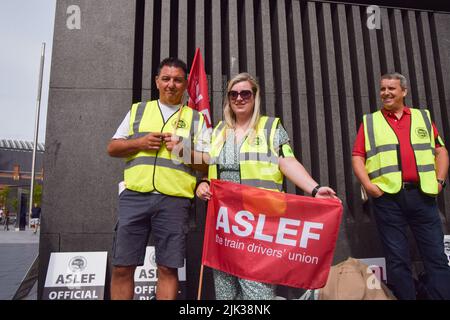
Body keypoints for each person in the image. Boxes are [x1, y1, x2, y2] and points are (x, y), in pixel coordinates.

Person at [196, 72, 338, 300]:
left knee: (257, 296)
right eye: (233, 94)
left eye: (245, 93)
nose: (239, 98)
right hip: (224, 227)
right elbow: (211, 167)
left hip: (259, 227)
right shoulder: (218, 132)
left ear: (255, 97)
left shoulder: (271, 127)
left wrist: (314, 188)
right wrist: (202, 184)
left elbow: (287, 161)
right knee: (225, 295)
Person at [107, 57, 209, 300]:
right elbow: (112, 148)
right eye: (166, 79)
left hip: (174, 201)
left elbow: (207, 163)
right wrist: (140, 143)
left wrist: (182, 150)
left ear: (185, 84)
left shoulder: (197, 119)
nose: (171, 84)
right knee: (122, 267)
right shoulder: (138, 110)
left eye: (177, 80)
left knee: (167, 267)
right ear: (157, 81)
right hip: (135, 196)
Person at [352, 72, 450, 300]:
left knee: (436, 256)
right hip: (387, 199)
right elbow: (358, 157)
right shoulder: (370, 121)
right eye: (382, 88)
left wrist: (440, 181)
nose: (385, 93)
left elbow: (441, 151)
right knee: (397, 260)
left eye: (391, 88)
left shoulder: (422, 117)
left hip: (423, 196)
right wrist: (368, 185)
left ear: (403, 91)